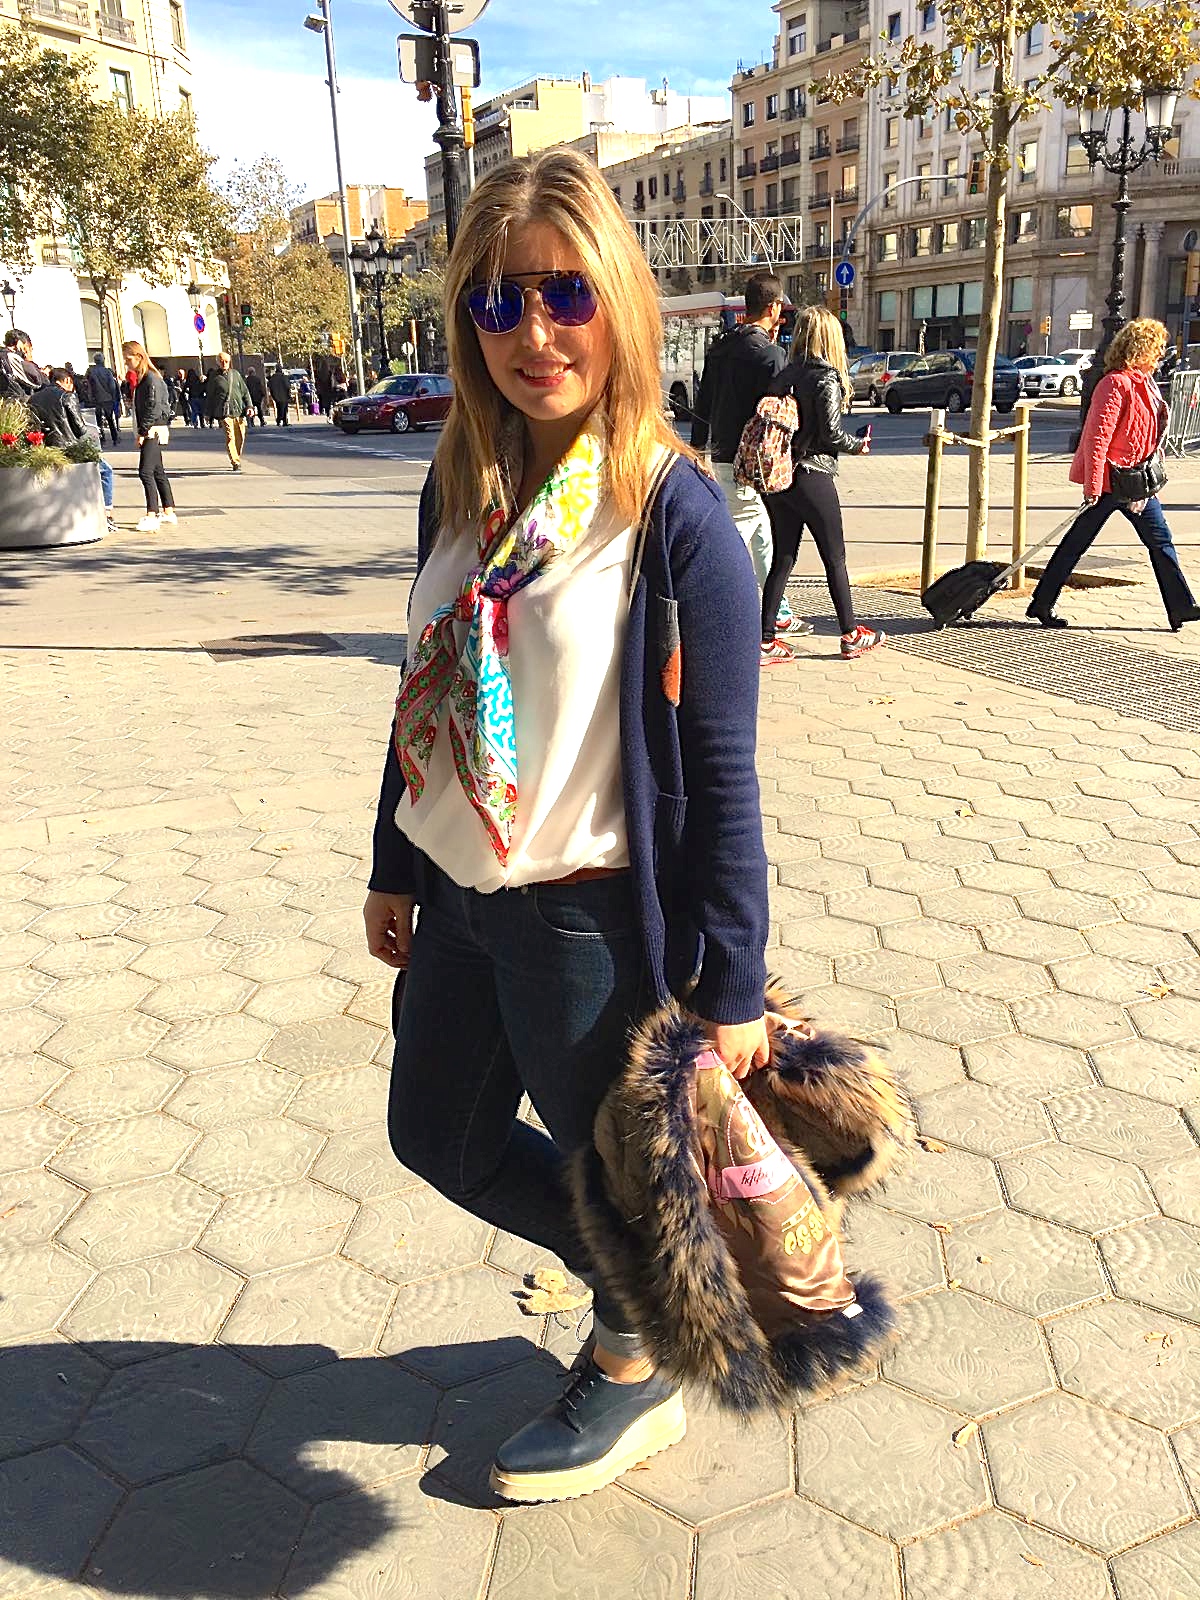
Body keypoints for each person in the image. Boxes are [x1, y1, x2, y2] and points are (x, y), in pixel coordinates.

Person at [364, 147, 769, 1505]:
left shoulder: (674, 518)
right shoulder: (459, 486)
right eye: (496, 302)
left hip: (585, 919)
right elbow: (424, 691)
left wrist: (736, 983)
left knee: (619, 1181)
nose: (531, 333)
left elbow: (723, 776)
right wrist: (392, 862)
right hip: (459, 897)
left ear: (619, 302)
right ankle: (655, 1291)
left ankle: (637, 1362)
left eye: (562, 294)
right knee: (438, 1136)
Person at [1028, 317, 1199, 632]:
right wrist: (1093, 485)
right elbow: (1097, 438)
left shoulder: (1145, 383)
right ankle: (1042, 602)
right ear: (1139, 350)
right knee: (1076, 544)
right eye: (1156, 350)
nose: (1160, 356)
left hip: (1138, 482)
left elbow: (1148, 432)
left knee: (1161, 541)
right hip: (1109, 482)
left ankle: (1181, 607)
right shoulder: (1114, 384)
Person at [760, 305, 886, 662]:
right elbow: (830, 433)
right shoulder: (825, 377)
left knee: (783, 557)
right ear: (831, 339)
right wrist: (857, 444)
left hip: (782, 475)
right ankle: (850, 633)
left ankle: (765, 639)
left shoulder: (786, 374)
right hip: (813, 474)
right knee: (835, 557)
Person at [689, 271, 804, 639]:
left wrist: (697, 450)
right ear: (774, 308)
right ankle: (712, 613)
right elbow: (781, 414)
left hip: (722, 453)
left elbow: (703, 403)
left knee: (761, 534)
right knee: (737, 536)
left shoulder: (721, 347)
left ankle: (778, 610)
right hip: (752, 462)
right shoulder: (770, 355)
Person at [122, 339, 177, 532]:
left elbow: (152, 407)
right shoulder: (148, 378)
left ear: (139, 357)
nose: (126, 362)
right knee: (157, 471)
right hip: (154, 427)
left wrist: (142, 431)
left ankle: (152, 514)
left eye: (128, 358)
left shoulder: (150, 379)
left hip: (153, 429)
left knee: (145, 471)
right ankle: (168, 511)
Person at [206, 351, 252, 470]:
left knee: (240, 437)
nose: (224, 363)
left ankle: (236, 456)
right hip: (224, 412)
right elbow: (210, 396)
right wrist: (208, 414)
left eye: (226, 361)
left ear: (230, 361)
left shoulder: (235, 374)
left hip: (239, 411)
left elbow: (245, 392)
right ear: (218, 362)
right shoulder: (214, 377)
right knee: (230, 436)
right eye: (221, 361)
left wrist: (249, 406)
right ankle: (235, 461)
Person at [2, 330, 42, 403]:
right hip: (13, 401)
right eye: (27, 347)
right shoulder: (12, 357)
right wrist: (29, 361)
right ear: (20, 343)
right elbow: (37, 381)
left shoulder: (3, 355)